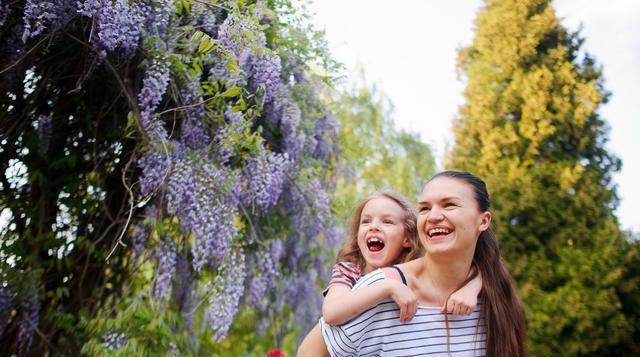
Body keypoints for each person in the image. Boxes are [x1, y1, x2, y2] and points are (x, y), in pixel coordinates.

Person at [319, 171, 527, 356]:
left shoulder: (495, 297)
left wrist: (475, 285)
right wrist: (388, 286)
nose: (434, 216)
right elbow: (318, 339)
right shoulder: (375, 286)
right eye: (425, 208)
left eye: (449, 205)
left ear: (483, 221)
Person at [297, 191, 483, 356]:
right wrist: (388, 286)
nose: (374, 226)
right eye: (366, 221)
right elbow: (332, 313)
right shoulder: (349, 271)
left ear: (408, 239)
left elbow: (473, 269)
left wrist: (472, 287)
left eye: (387, 221)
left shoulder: (415, 273)